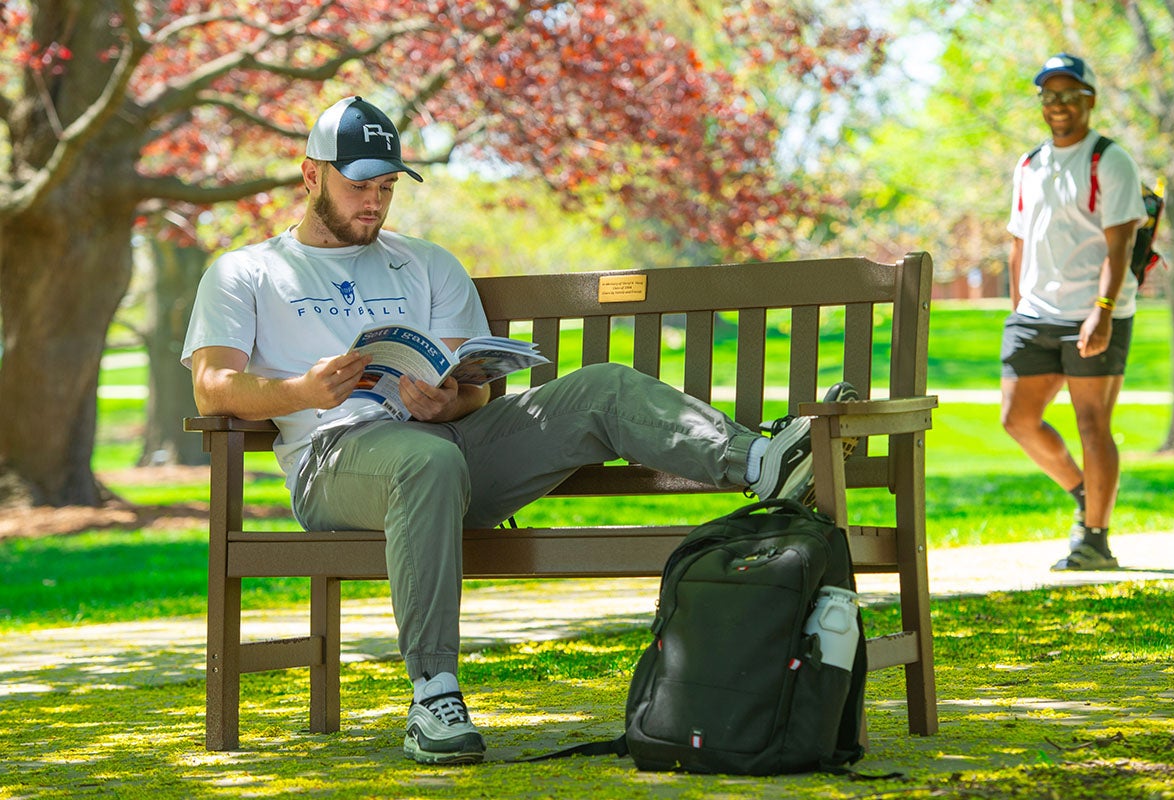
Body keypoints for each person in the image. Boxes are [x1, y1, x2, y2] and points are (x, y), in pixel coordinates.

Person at [182, 95, 854, 765]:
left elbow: (468, 385)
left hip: (449, 451)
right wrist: (299, 391)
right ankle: (433, 697)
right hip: (338, 461)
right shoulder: (248, 272)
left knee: (602, 388)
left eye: (386, 188)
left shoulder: (426, 264)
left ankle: (762, 463)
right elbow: (212, 385)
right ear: (310, 175)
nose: (374, 203)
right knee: (425, 464)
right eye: (359, 185)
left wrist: (452, 402)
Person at [1002, 55, 1148, 572]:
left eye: (1068, 95)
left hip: (1096, 308)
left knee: (1092, 423)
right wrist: (1017, 304)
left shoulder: (1109, 160)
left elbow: (1121, 244)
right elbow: (1019, 240)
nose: (1058, 105)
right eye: (1049, 96)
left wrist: (1103, 311)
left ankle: (1095, 540)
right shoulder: (1029, 164)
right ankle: (1087, 491)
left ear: (1089, 99)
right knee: (1017, 419)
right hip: (1037, 312)